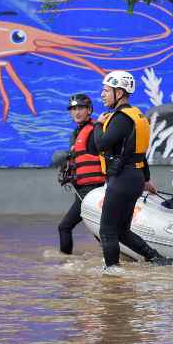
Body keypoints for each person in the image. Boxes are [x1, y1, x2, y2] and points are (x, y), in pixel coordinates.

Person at [93, 70, 173, 267]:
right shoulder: (136, 115)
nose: (102, 94)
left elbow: (102, 144)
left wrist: (98, 125)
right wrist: (146, 179)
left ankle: (112, 274)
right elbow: (138, 153)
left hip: (122, 179)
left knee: (107, 231)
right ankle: (159, 260)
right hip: (135, 177)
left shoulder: (121, 118)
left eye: (106, 90)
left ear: (120, 92)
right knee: (122, 231)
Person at [57, 93, 106, 255]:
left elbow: (106, 157)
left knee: (65, 227)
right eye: (73, 109)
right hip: (81, 190)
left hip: (92, 190)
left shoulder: (93, 132)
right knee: (99, 230)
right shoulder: (78, 133)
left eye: (80, 108)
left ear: (89, 110)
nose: (76, 112)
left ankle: (66, 263)